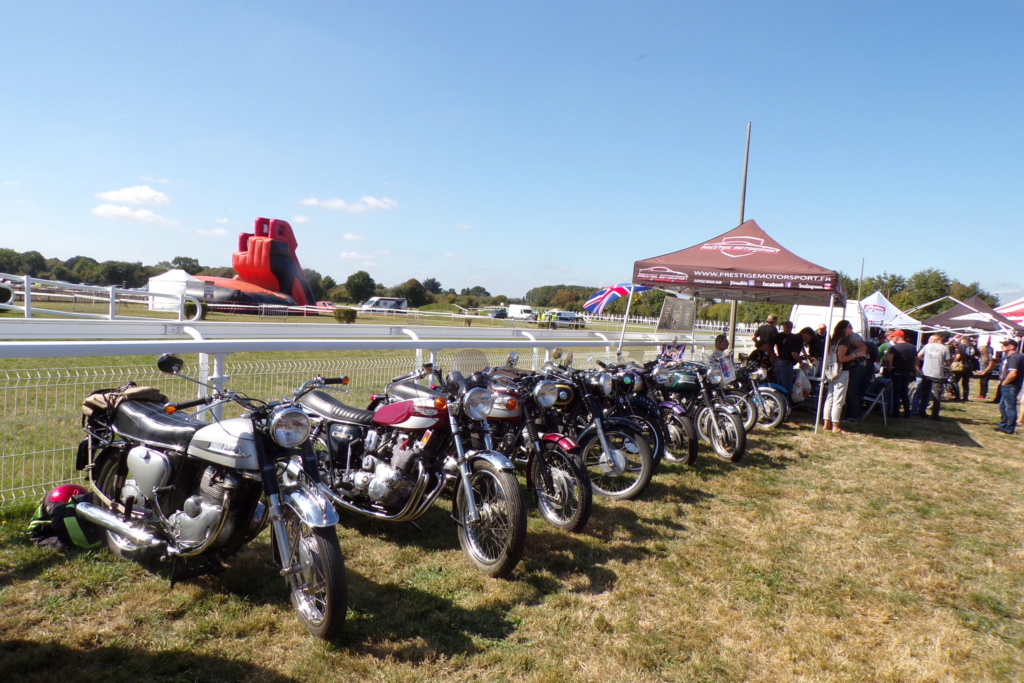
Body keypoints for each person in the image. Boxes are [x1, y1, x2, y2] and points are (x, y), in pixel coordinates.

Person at [823, 319, 866, 434]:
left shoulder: (834, 340)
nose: (851, 329)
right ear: (844, 329)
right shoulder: (843, 341)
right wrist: (856, 355)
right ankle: (835, 426)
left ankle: (827, 423)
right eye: (850, 326)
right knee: (838, 399)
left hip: (832, 371)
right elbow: (841, 358)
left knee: (830, 397)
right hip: (841, 371)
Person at [917, 334, 950, 420]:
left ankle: (922, 412)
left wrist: (926, 360)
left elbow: (919, 356)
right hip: (937, 373)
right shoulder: (944, 348)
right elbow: (948, 362)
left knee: (925, 393)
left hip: (926, 372)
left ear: (934, 340)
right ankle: (935, 415)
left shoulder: (927, 346)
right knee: (937, 395)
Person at [884, 329, 916, 418]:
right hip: (907, 372)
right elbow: (916, 359)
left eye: (893, 337)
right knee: (904, 392)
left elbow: (888, 359)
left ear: (898, 337)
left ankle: (896, 412)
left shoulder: (895, 348)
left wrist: (889, 367)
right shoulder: (912, 347)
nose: (892, 339)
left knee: (896, 393)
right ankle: (907, 413)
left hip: (897, 371)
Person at [995, 338, 1022, 435]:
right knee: (1003, 406)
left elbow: (1013, 373)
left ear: (1012, 347)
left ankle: (1009, 428)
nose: (1002, 346)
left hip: (1010, 385)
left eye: (1005, 345)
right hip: (1011, 384)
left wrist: (1005, 382)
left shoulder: (1014, 357)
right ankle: (1003, 425)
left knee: (1009, 407)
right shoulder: (1015, 356)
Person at [772, 321, 801, 393]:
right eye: (787, 326)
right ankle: (785, 401)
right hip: (783, 361)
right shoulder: (779, 336)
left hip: (784, 361)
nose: (789, 328)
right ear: (784, 327)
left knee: (783, 384)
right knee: (785, 385)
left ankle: (782, 400)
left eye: (790, 327)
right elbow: (770, 345)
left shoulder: (793, 336)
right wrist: (773, 354)